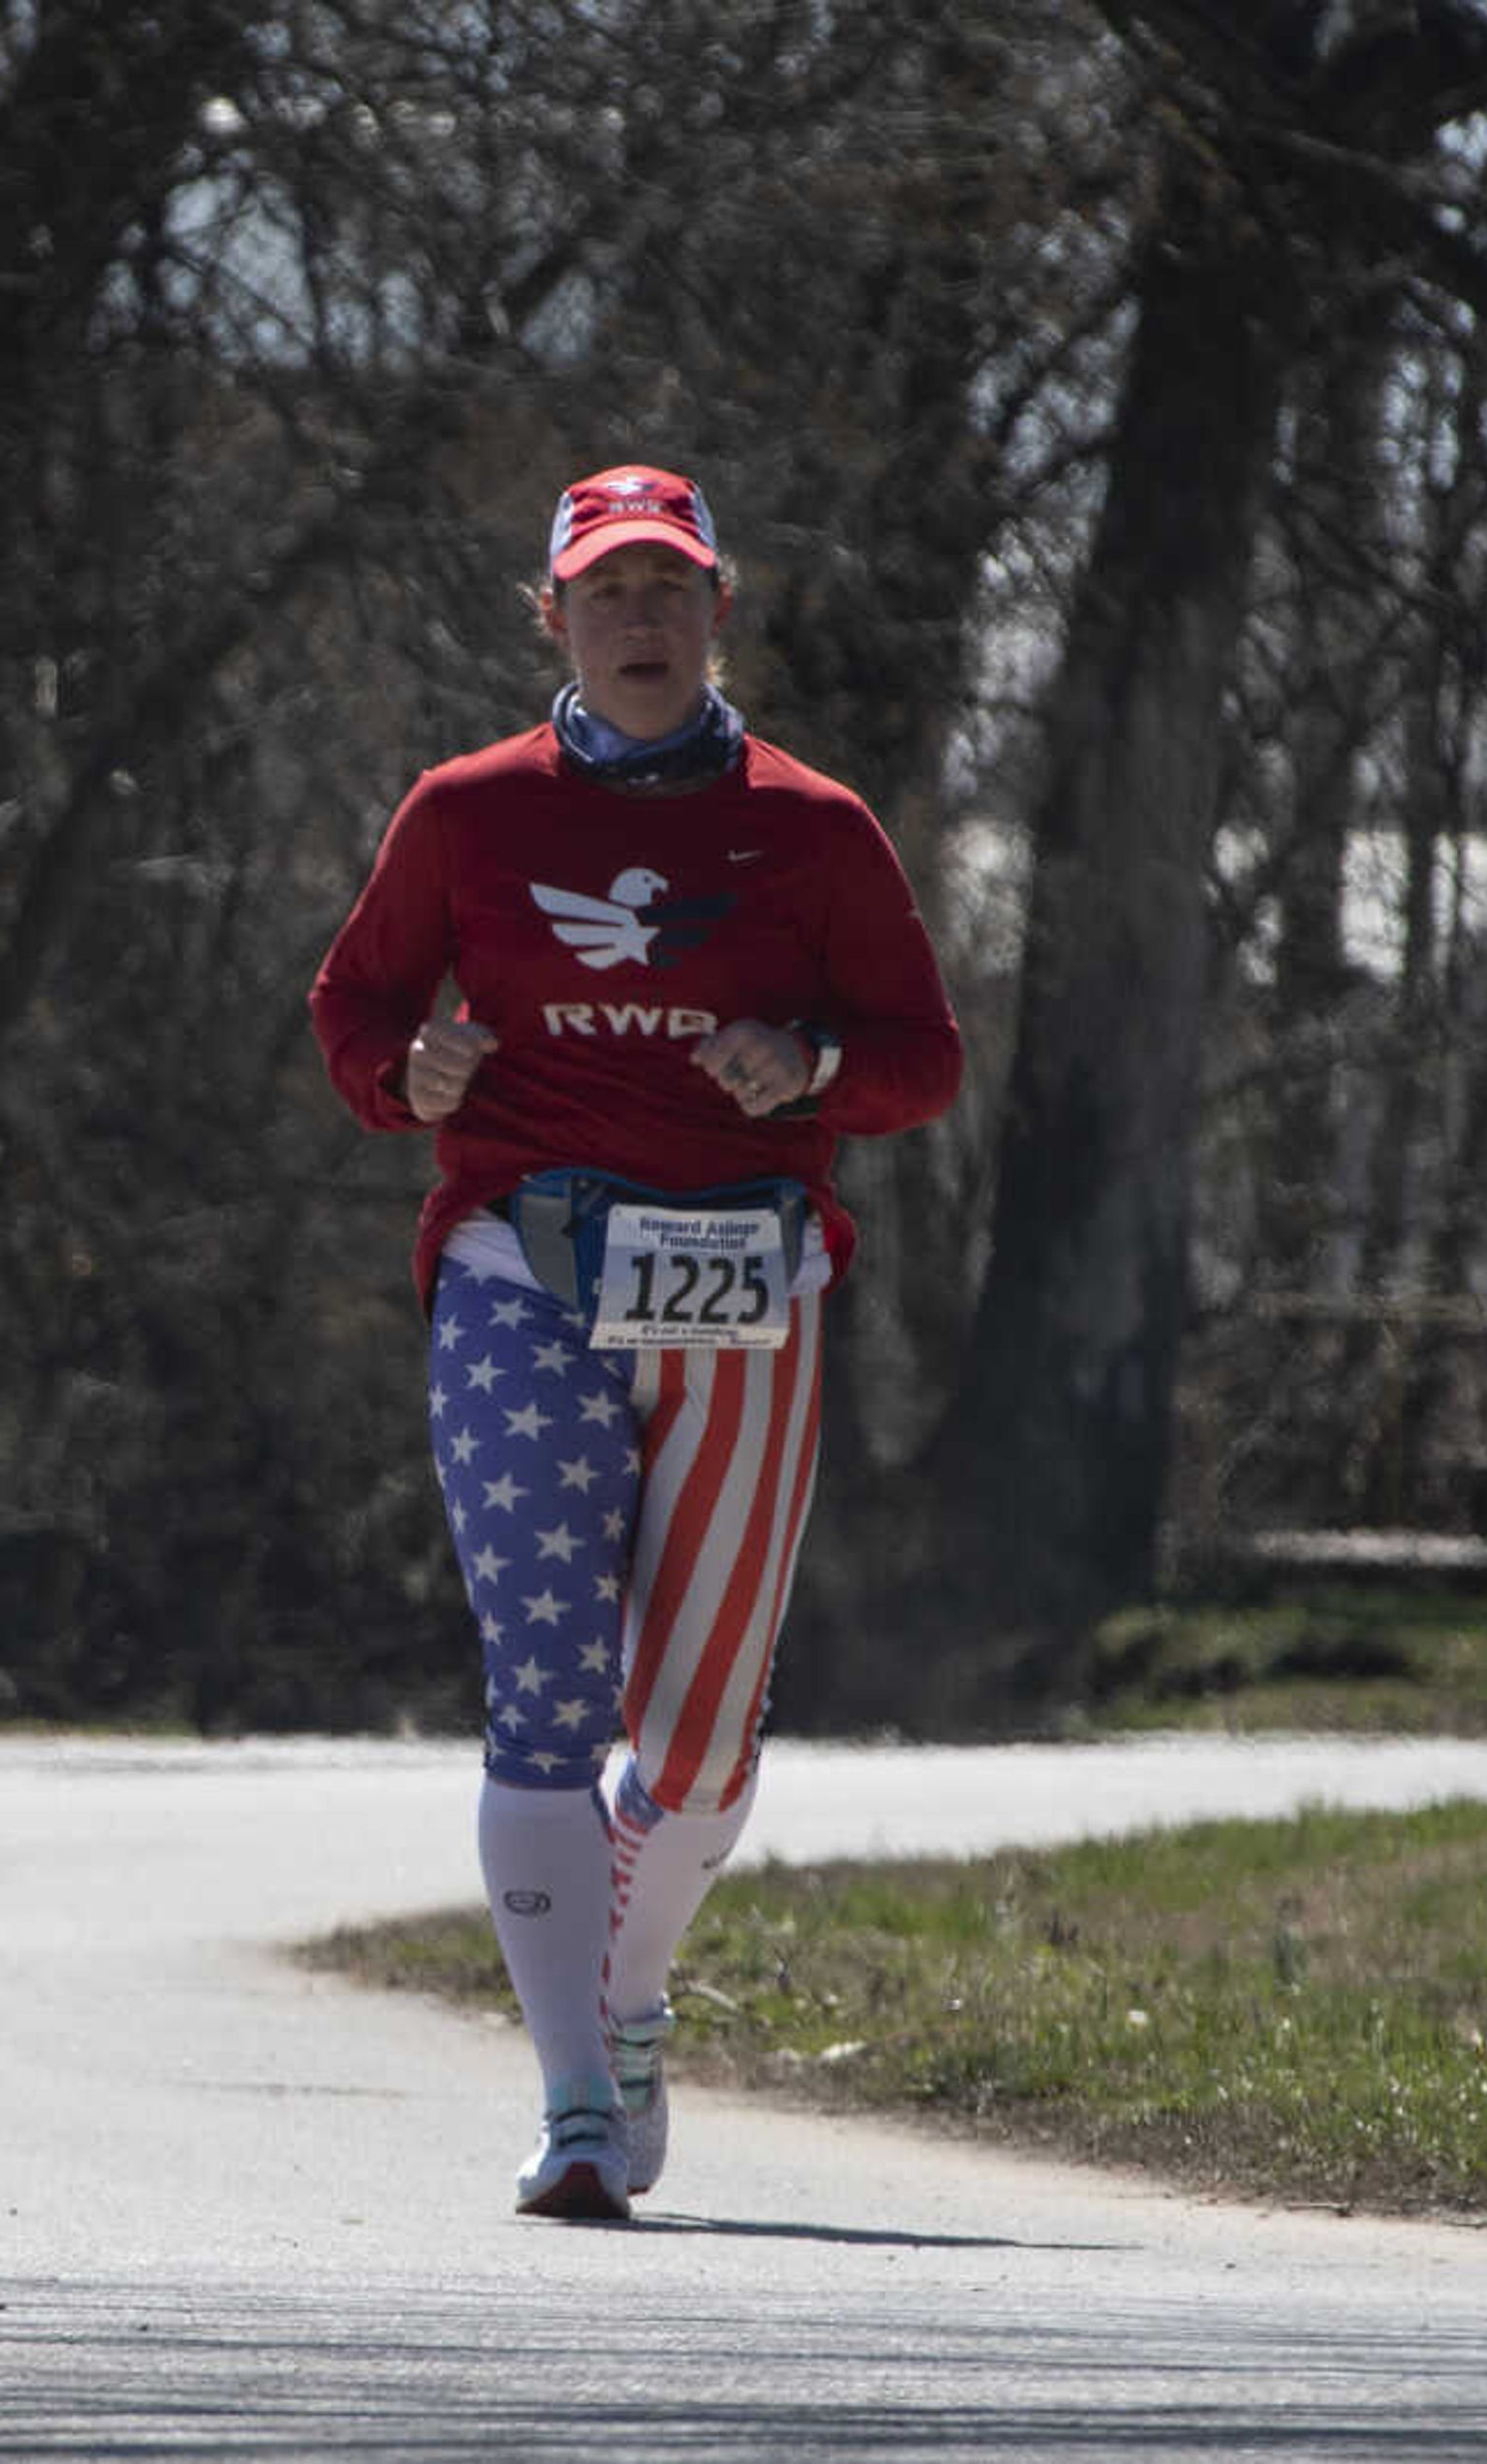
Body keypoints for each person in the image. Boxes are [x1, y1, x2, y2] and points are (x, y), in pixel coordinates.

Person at [306, 464, 962, 2221]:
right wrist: (407, 1075)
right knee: (544, 1681)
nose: (642, 622)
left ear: (719, 609)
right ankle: (579, 2101)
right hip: (522, 1264)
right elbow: (354, 1002)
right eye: (608, 593)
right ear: (556, 622)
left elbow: (925, 1055)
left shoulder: (813, 828)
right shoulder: (467, 813)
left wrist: (812, 1063)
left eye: (671, 590)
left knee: (698, 1744)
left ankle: (630, 1982)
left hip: (742, 1279)